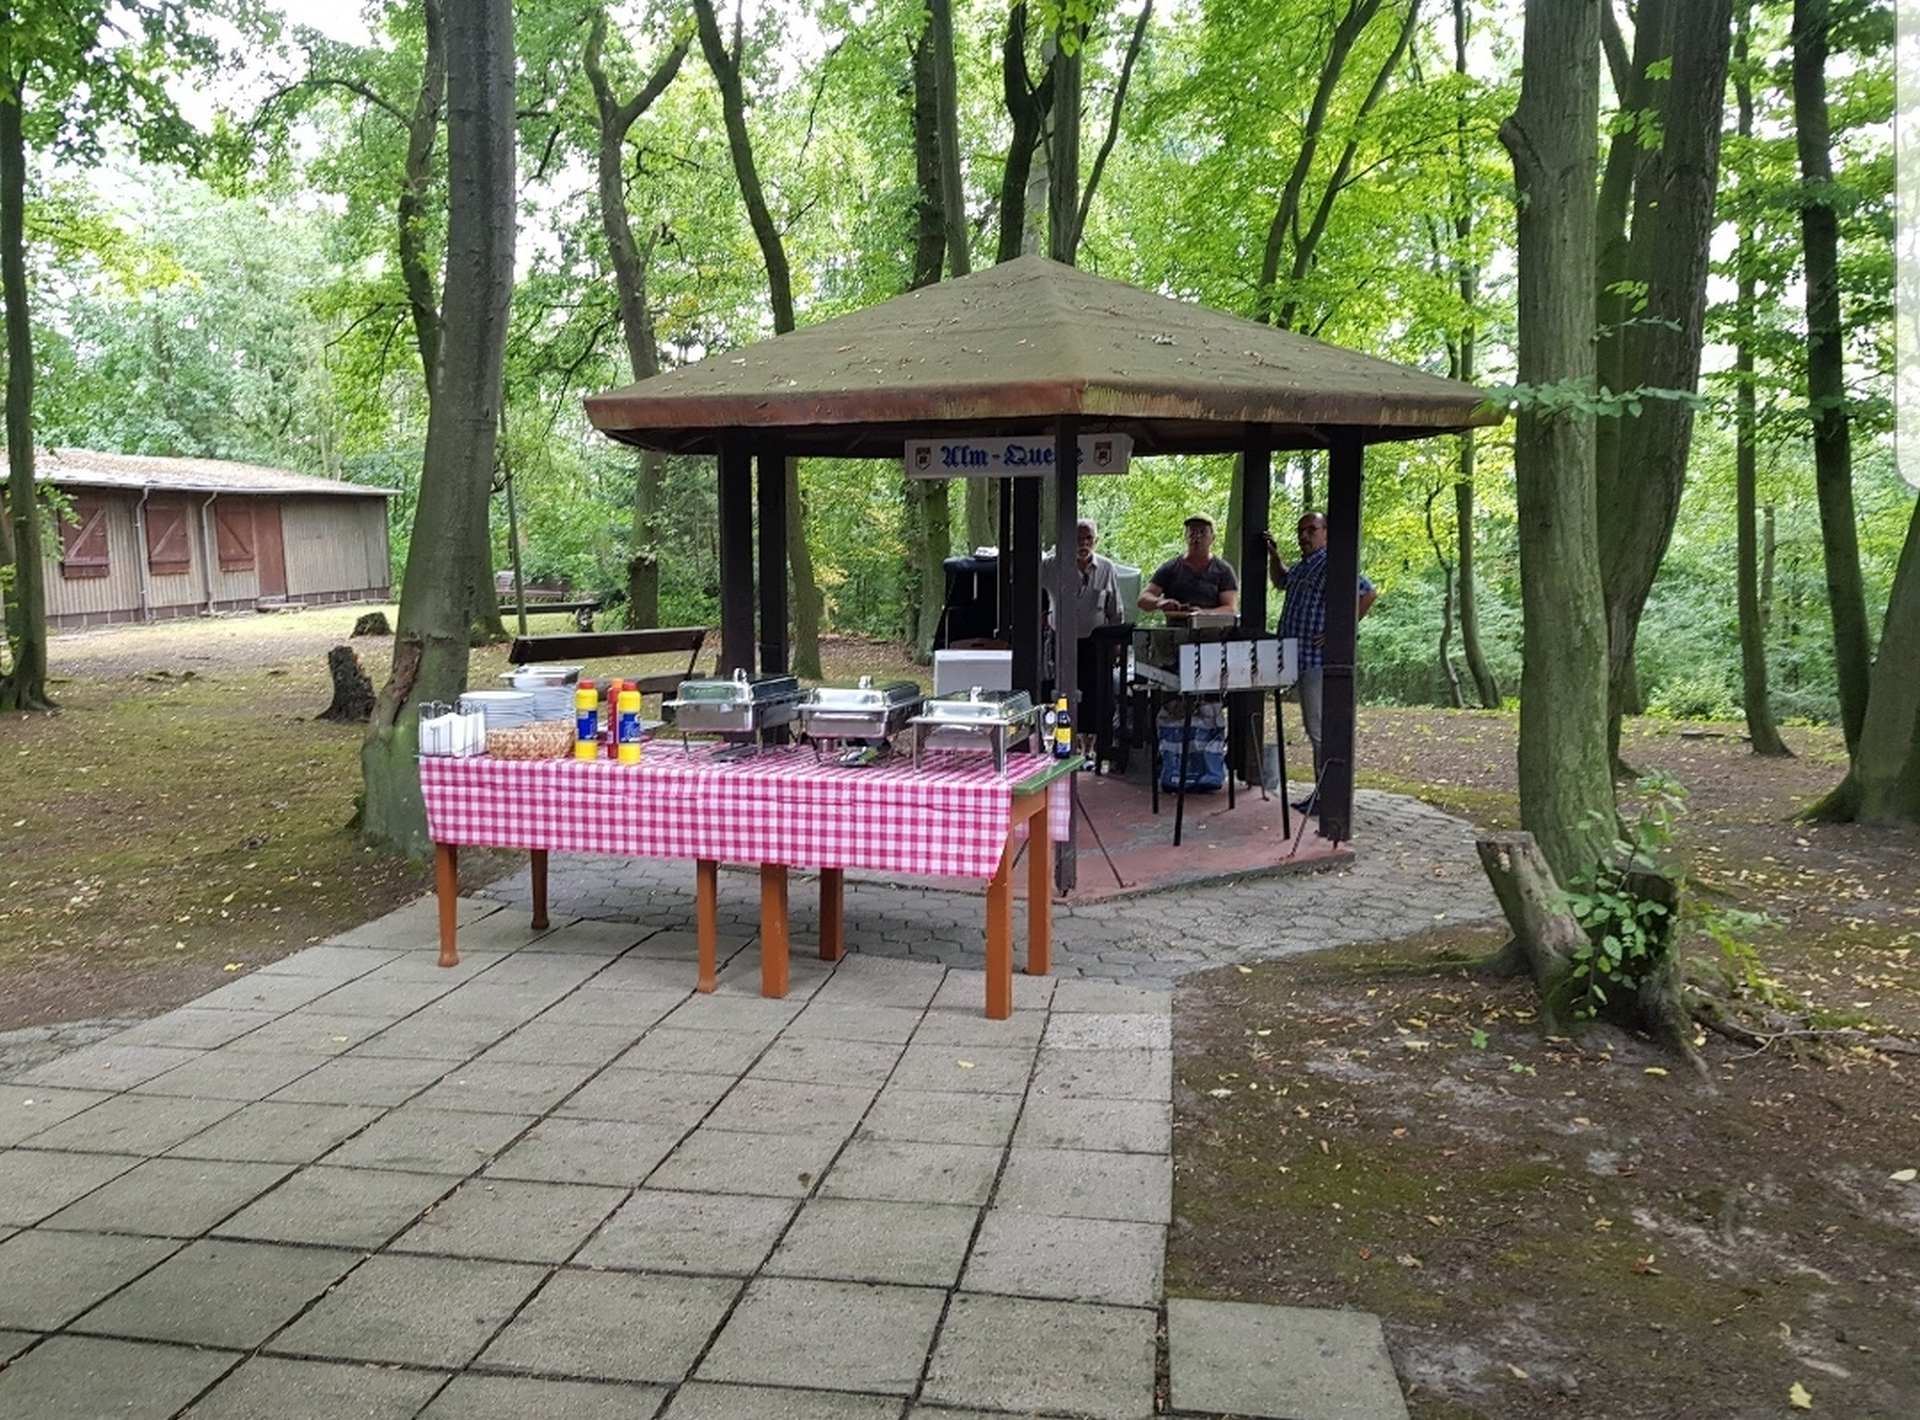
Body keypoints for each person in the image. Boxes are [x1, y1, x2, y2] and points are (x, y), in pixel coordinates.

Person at [1266, 511, 1376, 814]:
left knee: (1319, 730)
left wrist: (1339, 630)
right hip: (1297, 658)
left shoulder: (1332, 563)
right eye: (1301, 530)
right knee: (1314, 727)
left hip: (1317, 661)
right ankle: (1323, 794)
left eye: (1311, 530)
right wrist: (1274, 556)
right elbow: (1281, 581)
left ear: (1326, 532)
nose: (1304, 535)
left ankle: (1329, 798)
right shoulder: (1303, 566)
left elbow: (1368, 593)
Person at [1139, 514, 1240, 615]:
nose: (1197, 537)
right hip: (1176, 624)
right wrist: (1159, 602)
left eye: (1202, 532)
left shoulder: (1223, 570)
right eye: (1192, 532)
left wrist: (1204, 613)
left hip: (1210, 625)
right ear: (1185, 537)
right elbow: (1143, 599)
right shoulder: (1170, 568)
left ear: (1212, 538)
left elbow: (1230, 609)